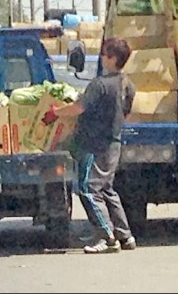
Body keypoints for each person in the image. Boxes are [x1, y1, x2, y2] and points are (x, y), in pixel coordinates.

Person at [41, 37, 137, 254]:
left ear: (112, 59)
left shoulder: (99, 85)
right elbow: (126, 112)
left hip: (94, 145)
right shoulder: (127, 84)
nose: (101, 57)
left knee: (88, 189)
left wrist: (55, 113)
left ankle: (107, 237)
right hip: (113, 143)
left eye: (104, 54)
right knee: (107, 189)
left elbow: (78, 108)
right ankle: (125, 235)